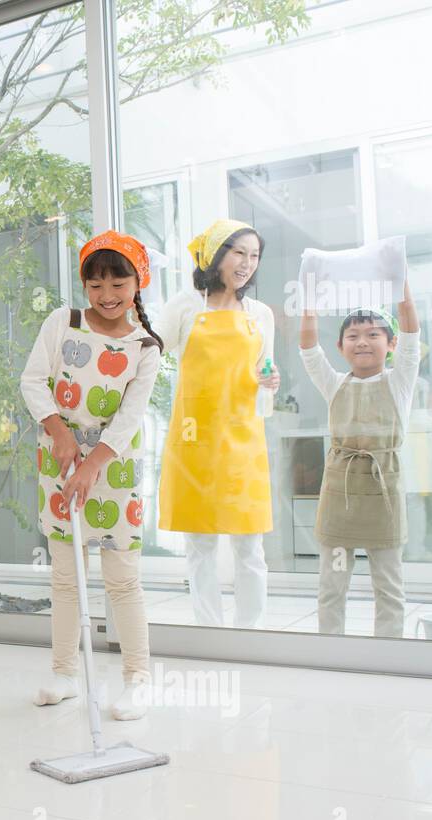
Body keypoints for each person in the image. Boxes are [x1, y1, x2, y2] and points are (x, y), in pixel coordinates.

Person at [19, 230, 162, 720]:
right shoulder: (64, 323)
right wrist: (58, 434)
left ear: (137, 283)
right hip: (58, 460)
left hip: (114, 465)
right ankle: (64, 673)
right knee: (65, 576)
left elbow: (130, 416)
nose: (106, 296)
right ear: (84, 286)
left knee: (122, 578)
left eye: (118, 283)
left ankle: (137, 680)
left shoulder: (146, 347)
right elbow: (33, 380)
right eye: (95, 284)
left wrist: (94, 462)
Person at [154, 220, 278, 629]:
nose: (247, 263)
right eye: (239, 252)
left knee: (250, 547)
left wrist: (271, 382)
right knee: (200, 546)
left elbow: (266, 373)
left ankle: (250, 632)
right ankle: (209, 631)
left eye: (254, 255)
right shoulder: (187, 305)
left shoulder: (260, 314)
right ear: (216, 255)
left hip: (243, 439)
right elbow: (150, 352)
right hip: (195, 439)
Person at [300, 282, 421, 636]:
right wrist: (309, 305)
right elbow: (308, 348)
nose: (363, 341)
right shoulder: (333, 383)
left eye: (373, 334)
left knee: (388, 582)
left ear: (391, 343)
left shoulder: (400, 382)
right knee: (332, 583)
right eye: (353, 336)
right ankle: (332, 648)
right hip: (340, 492)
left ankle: (388, 652)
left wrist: (401, 285)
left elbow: (412, 332)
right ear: (340, 347)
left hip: (385, 491)